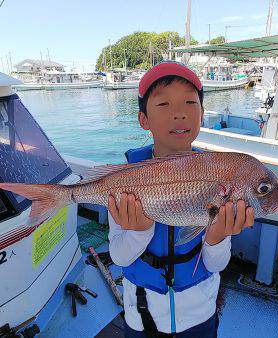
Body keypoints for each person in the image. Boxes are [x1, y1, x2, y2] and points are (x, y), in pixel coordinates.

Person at [107, 61, 254, 337]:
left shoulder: (217, 174)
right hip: (142, 314)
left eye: (190, 103)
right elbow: (119, 257)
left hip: (200, 314)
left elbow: (216, 264)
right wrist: (139, 231)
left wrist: (217, 236)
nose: (179, 114)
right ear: (143, 120)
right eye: (163, 105)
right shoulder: (128, 179)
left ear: (201, 115)